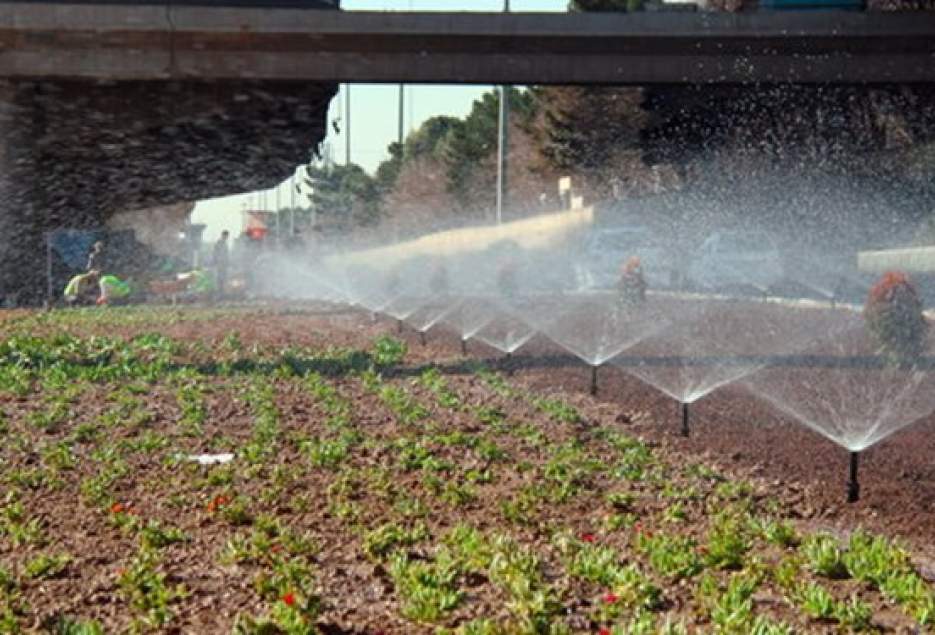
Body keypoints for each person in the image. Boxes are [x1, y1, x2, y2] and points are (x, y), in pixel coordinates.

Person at [213, 230, 230, 298]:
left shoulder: (224, 243)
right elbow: (215, 253)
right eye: (226, 236)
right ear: (223, 235)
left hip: (223, 264)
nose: (227, 237)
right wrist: (216, 261)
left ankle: (222, 292)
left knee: (223, 278)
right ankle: (219, 292)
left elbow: (226, 254)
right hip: (220, 264)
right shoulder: (219, 243)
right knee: (219, 278)